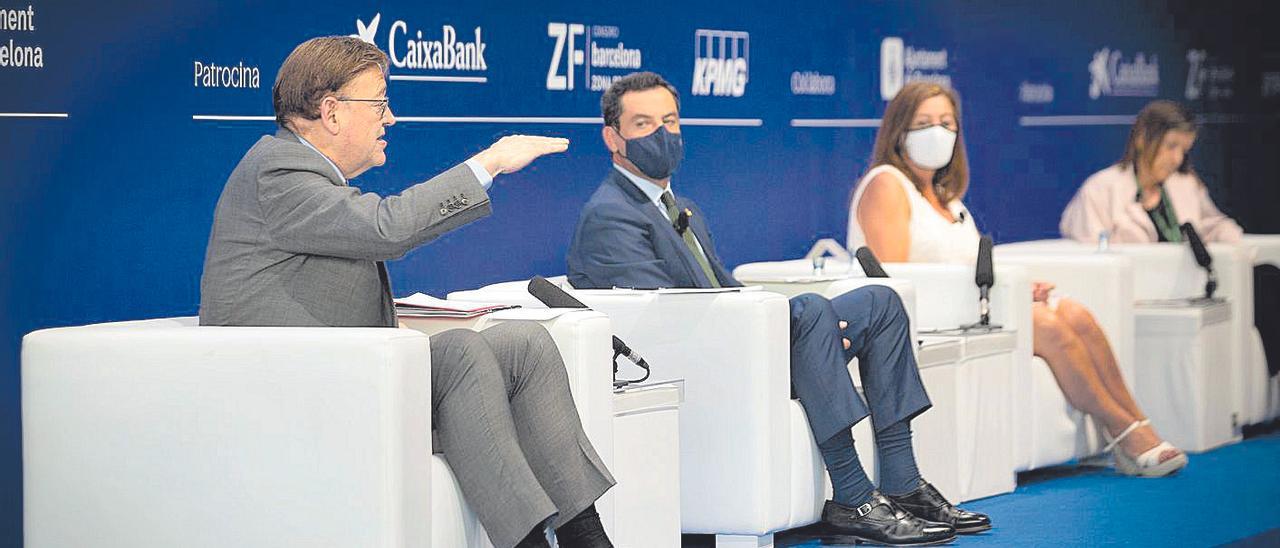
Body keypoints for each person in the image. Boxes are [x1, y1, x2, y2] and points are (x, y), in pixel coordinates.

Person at [198, 36, 614, 548]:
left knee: (523, 346)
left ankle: (586, 537)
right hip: (293, 388)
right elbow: (385, 229)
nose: (389, 119)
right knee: (459, 352)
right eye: (379, 104)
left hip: (348, 371)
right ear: (331, 112)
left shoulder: (305, 173)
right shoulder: (279, 171)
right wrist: (490, 163)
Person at [567, 72, 986, 546]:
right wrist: (790, 322)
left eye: (670, 120)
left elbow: (721, 289)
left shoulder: (679, 205)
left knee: (880, 301)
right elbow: (662, 319)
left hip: (737, 339)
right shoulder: (610, 214)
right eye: (643, 124)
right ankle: (853, 496)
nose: (662, 134)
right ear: (613, 137)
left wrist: (787, 322)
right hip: (697, 364)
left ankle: (903, 482)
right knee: (808, 313)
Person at [849, 82, 1188, 478]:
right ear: (898, 129)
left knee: (1075, 313)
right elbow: (895, 278)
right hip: (923, 320)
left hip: (966, 312)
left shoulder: (946, 198)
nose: (937, 132)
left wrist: (1015, 290)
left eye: (946, 122)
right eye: (923, 122)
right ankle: (1125, 432)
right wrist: (1004, 297)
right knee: (1043, 323)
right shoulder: (887, 184)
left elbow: (972, 266)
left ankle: (1139, 421)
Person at [1062, 100, 1277, 376]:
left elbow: (1214, 225)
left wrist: (1241, 248)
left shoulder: (1185, 185)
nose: (1177, 159)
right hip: (1143, 292)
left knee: (1267, 276)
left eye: (1184, 150)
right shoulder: (1102, 190)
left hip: (1189, 288)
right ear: (1143, 139)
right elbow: (1091, 257)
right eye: (1171, 146)